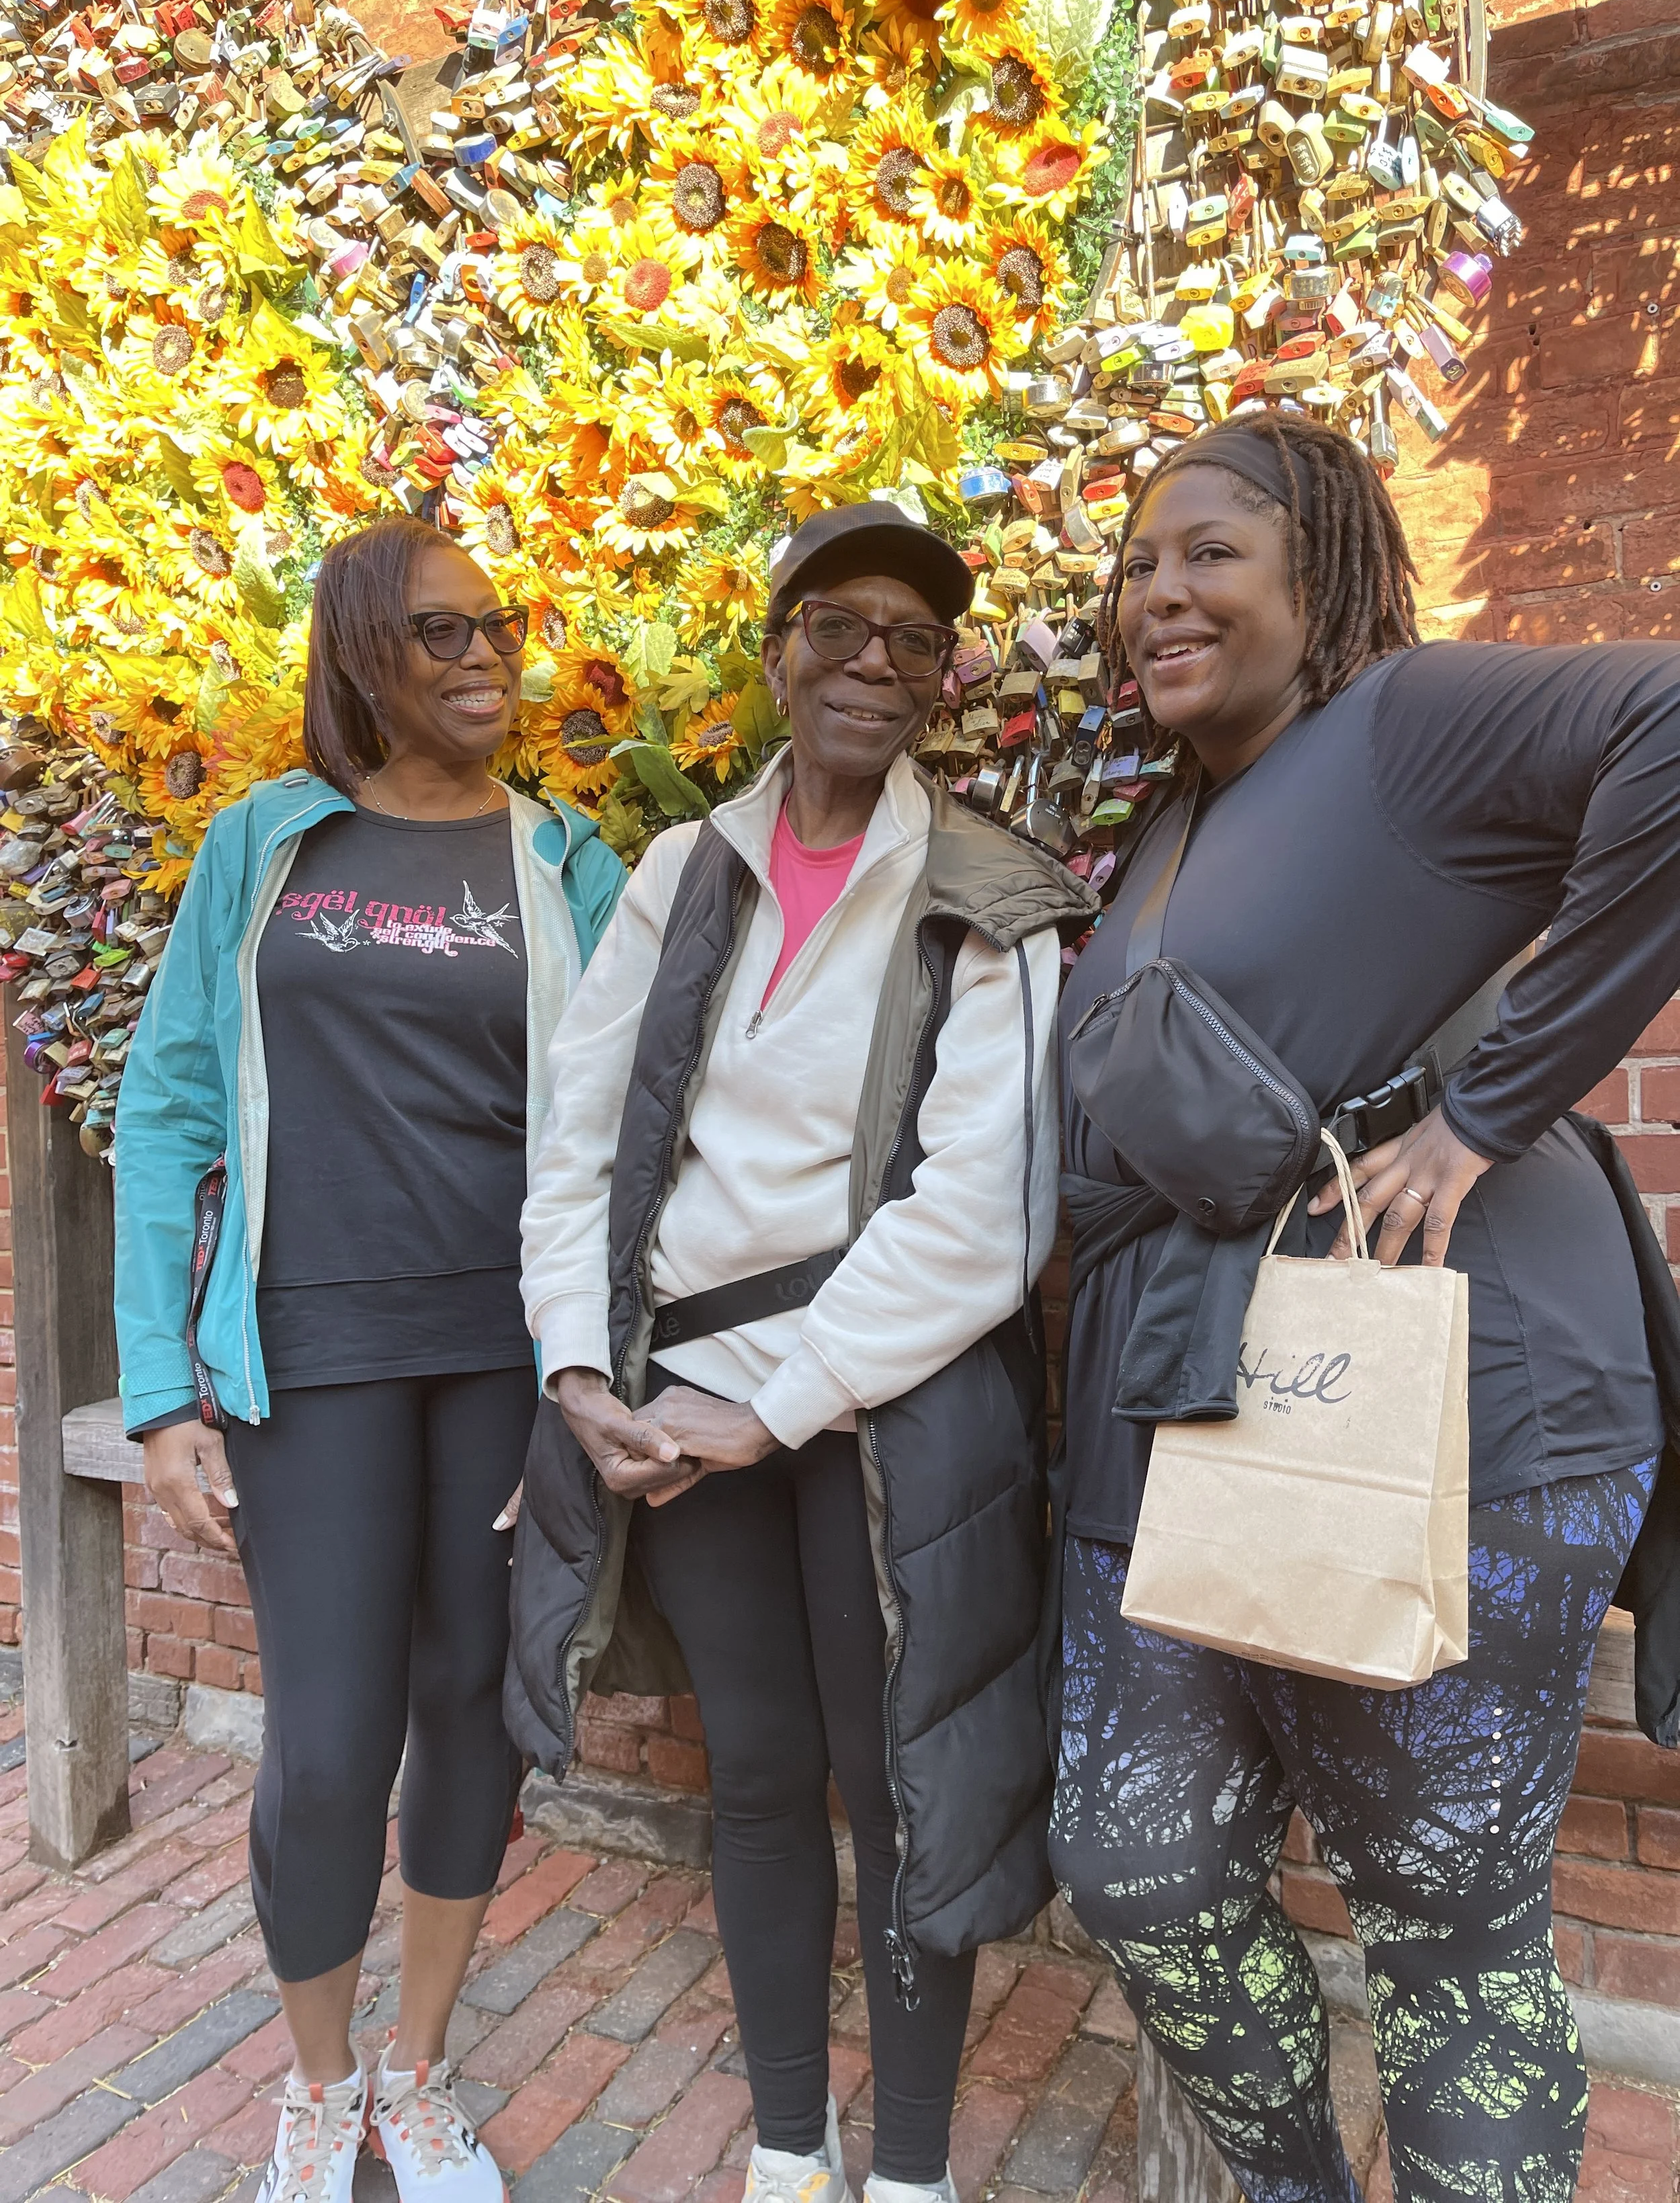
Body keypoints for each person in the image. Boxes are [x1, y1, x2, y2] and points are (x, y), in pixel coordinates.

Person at [1050, 413, 1680, 2203]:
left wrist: (1490, 1107)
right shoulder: (1179, 820)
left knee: (1444, 1930)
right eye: (1133, 564)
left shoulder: (1398, 727)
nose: (1154, 591)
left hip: (1455, 1406)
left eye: (1208, 552)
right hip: (1190, 1413)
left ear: (1319, 571)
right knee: (1133, 1863)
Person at [511, 503, 1095, 2203]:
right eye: (837, 624)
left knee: (896, 1784)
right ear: (776, 651)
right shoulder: (686, 872)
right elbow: (580, 1139)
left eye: (913, 639)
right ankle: (790, 2138)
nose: (872, 661)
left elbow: (983, 1219)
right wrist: (574, 1366)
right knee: (757, 1775)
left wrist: (766, 1405)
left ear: (939, 685)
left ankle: (903, 2167)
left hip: (878, 1421)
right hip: (671, 1412)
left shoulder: (987, 895)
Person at [114, 517, 625, 2203]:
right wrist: (161, 1393)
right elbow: (171, 1112)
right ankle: (318, 2088)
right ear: (359, 653)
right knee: (327, 1745)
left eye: (500, 624)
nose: (485, 655)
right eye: (439, 631)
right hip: (312, 1355)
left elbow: (633, 1118)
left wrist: (602, 1358)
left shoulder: (564, 859)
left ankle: (418, 2068)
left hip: (503, 1356)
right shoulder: (265, 847)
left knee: (470, 1713)